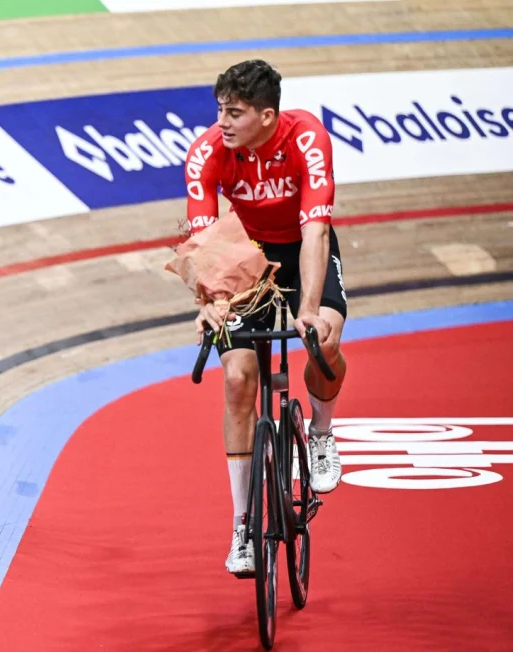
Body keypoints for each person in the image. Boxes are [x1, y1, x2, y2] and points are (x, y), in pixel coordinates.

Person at [183, 59, 348, 575]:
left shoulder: (307, 140)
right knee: (237, 379)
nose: (222, 122)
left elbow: (317, 232)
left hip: (303, 247)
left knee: (327, 338)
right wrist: (209, 301)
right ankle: (242, 527)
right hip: (243, 255)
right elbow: (204, 241)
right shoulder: (208, 152)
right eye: (220, 111)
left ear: (268, 116)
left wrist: (306, 311)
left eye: (234, 113)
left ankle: (321, 433)